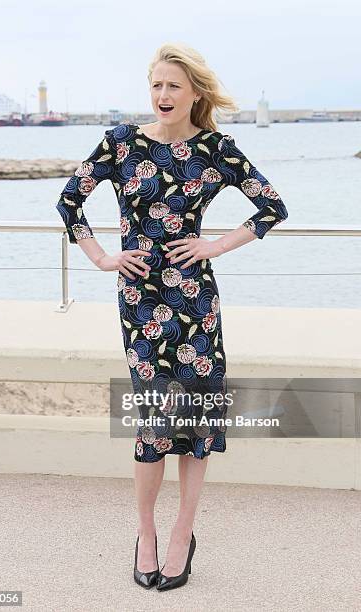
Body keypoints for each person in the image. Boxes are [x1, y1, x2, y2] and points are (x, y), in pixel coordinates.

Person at [55, 42, 288, 592]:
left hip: (196, 300)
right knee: (155, 421)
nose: (162, 95)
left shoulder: (216, 150)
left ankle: (183, 532)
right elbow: (69, 203)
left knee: (196, 421)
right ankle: (145, 533)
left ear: (195, 93)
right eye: (156, 85)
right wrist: (103, 257)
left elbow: (272, 207)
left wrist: (213, 247)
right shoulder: (120, 144)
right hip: (139, 300)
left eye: (173, 86)